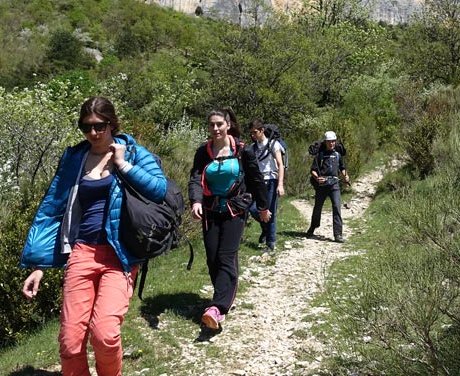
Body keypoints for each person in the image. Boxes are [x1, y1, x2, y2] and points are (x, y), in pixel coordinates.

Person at [20, 97, 167, 376]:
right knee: (70, 342)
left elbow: (159, 190)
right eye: (85, 127)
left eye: (99, 126)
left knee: (105, 334)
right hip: (82, 253)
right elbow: (54, 208)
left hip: (119, 255)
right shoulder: (75, 158)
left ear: (111, 123)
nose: (93, 133)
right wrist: (39, 265)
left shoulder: (134, 153)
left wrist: (123, 165)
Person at [188, 108, 271, 330]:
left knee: (226, 256)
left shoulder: (243, 151)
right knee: (212, 258)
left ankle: (218, 307)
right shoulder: (203, 152)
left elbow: (256, 179)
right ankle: (222, 294)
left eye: (219, 124)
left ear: (228, 125)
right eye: (211, 125)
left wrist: (263, 207)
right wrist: (195, 201)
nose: (215, 129)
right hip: (210, 210)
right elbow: (195, 178)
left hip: (235, 209)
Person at [247, 119, 286, 252]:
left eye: (255, 132)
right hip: (258, 182)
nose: (253, 135)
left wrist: (280, 184)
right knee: (252, 208)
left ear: (262, 130)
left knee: (270, 212)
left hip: (271, 180)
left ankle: (270, 243)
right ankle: (265, 228)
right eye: (251, 133)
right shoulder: (253, 147)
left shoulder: (273, 145)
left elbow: (280, 165)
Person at [307, 130, 349, 243]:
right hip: (322, 185)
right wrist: (317, 178)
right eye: (330, 141)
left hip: (334, 184)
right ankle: (313, 226)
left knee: (337, 207)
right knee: (318, 207)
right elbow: (313, 170)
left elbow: (342, 167)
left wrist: (346, 175)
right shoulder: (320, 155)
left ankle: (338, 234)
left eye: (334, 141)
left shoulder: (337, 154)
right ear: (325, 142)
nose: (332, 143)